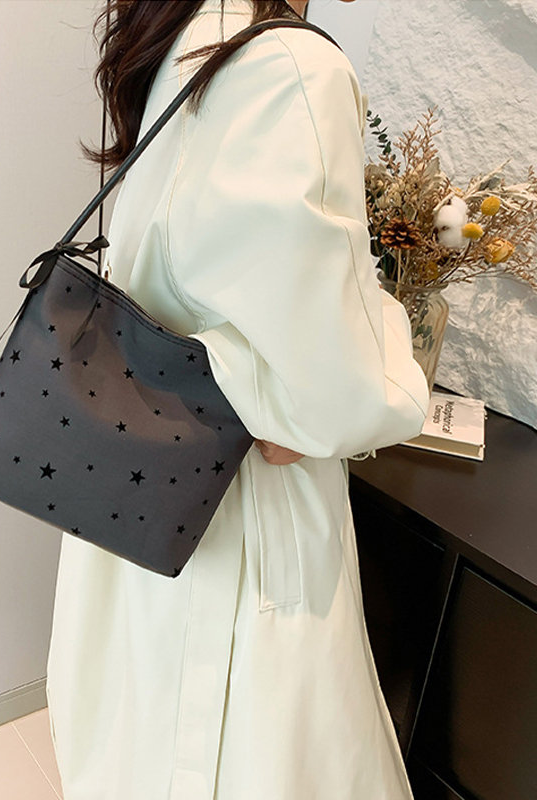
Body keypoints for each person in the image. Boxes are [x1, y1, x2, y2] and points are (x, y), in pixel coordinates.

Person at [45, 0, 429, 798]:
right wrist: (397, 358)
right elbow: (333, 382)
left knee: (138, 742)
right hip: (240, 509)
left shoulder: (184, 35)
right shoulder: (292, 65)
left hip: (144, 480)